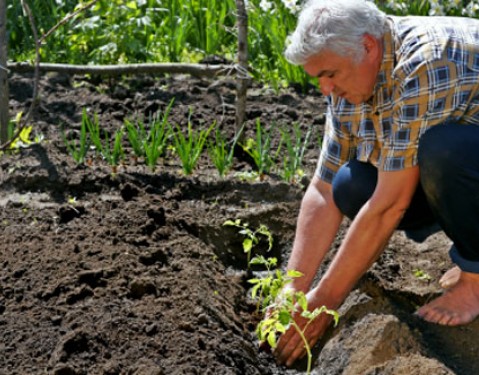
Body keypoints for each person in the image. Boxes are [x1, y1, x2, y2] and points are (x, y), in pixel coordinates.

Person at [273, 0, 479, 368]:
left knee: (443, 153)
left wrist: (325, 302)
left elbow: (389, 205)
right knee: (350, 184)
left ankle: (476, 280)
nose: (325, 89)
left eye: (330, 74)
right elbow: (322, 189)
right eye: (318, 77)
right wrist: (295, 287)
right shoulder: (351, 76)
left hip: (464, 158)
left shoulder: (424, 63)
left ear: (368, 46)